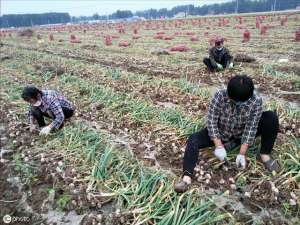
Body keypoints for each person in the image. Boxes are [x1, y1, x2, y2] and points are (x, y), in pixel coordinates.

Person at [174, 75, 280, 193]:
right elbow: (211, 121)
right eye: (233, 100)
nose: (236, 104)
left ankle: (264, 155)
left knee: (271, 118)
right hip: (221, 133)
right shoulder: (220, 95)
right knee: (193, 139)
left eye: (240, 102)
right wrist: (218, 145)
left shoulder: (256, 101)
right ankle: (186, 177)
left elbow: (251, 128)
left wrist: (242, 154)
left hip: (240, 134)